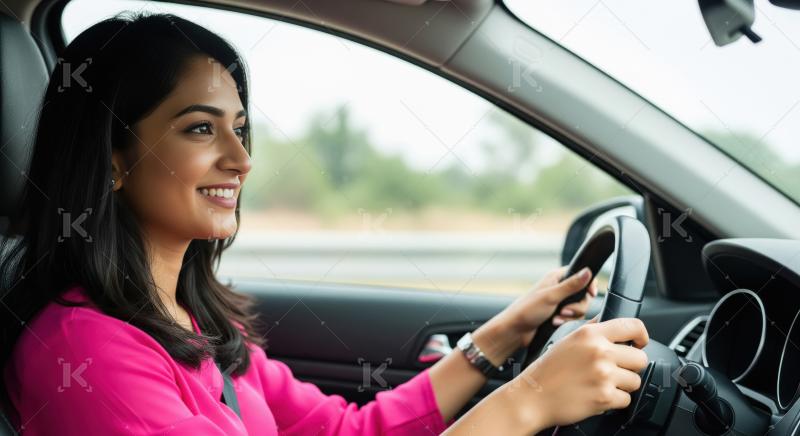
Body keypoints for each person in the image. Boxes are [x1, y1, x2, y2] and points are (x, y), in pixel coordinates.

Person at [0, 12, 649, 435]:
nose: (242, 160)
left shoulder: (195, 324)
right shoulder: (83, 351)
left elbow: (348, 431)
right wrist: (528, 402)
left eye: (242, 128)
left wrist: (501, 339)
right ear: (113, 159)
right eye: (201, 127)